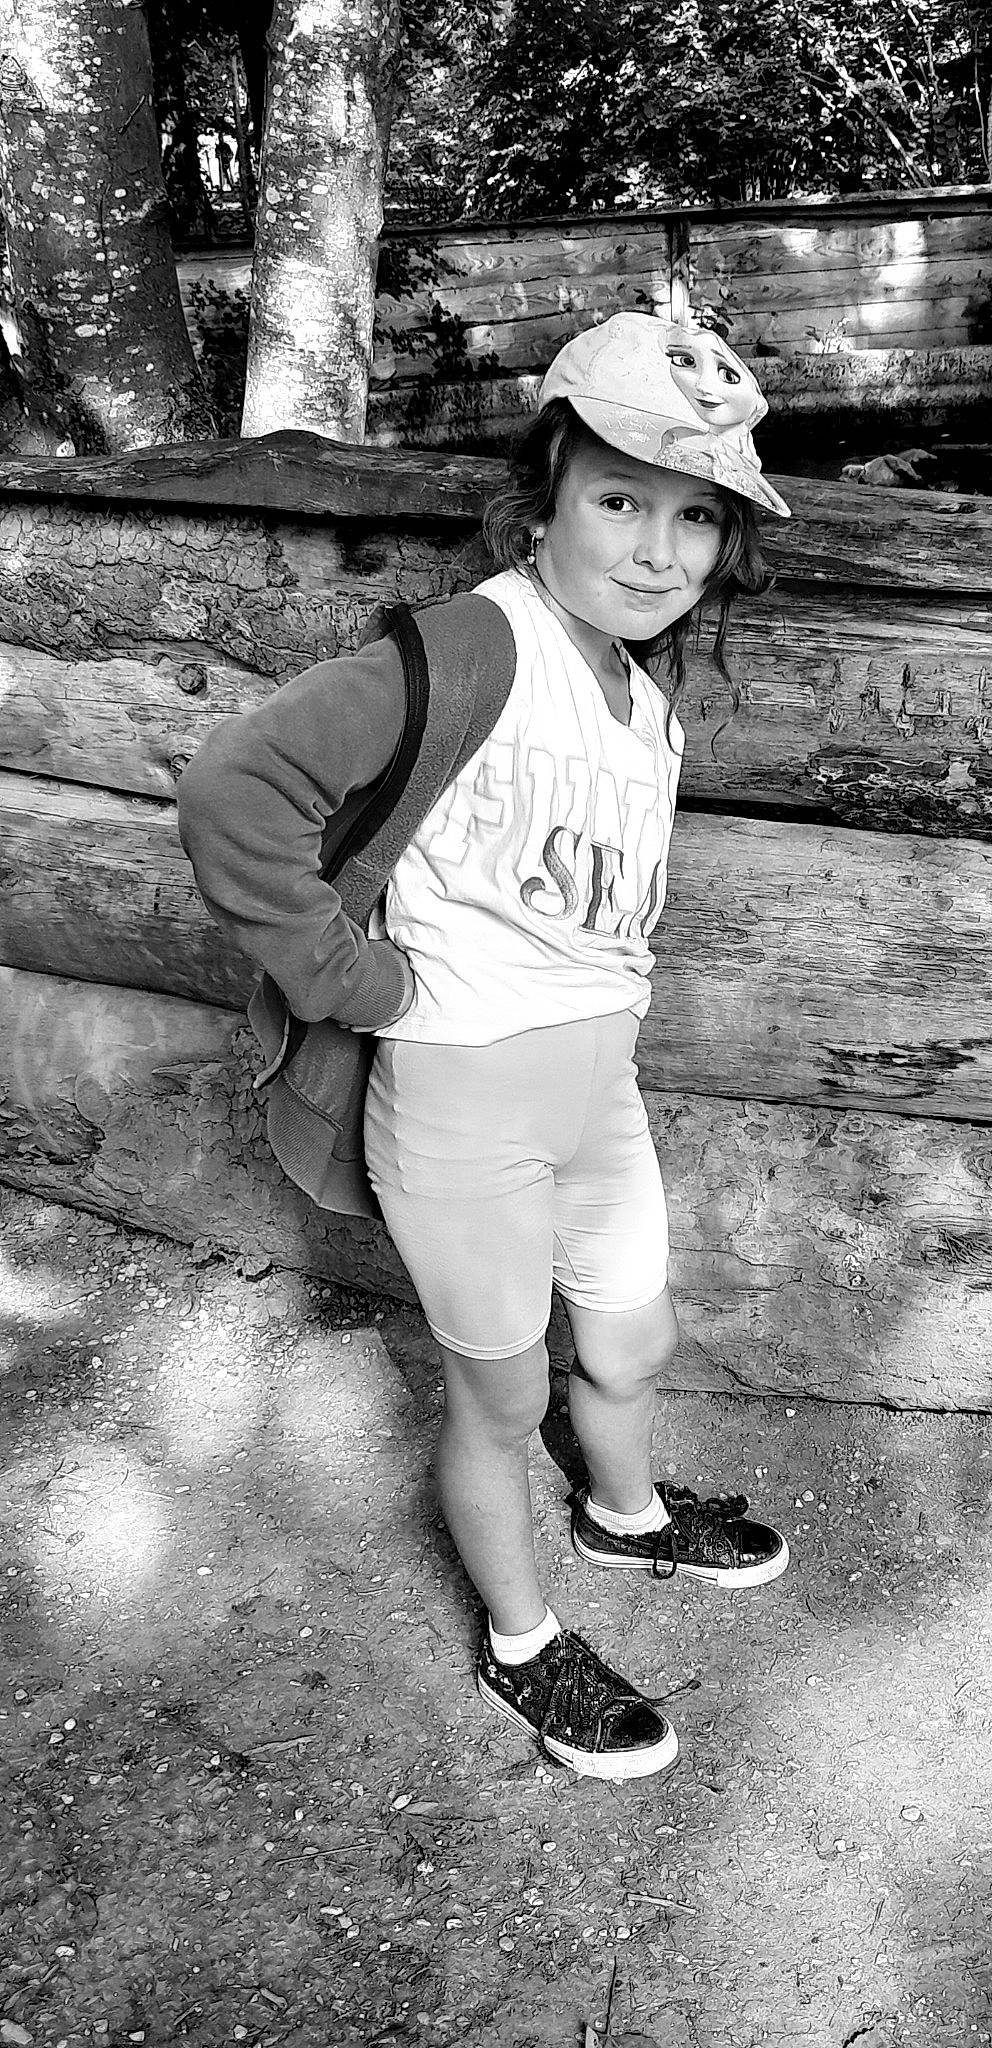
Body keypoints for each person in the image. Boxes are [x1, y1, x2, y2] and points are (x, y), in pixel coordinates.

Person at [178, 312, 792, 1784]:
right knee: (505, 1396)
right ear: (547, 495)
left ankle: (625, 1519)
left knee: (631, 1339)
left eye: (695, 514)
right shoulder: (468, 650)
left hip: (599, 1095)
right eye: (619, 499)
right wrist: (348, 979)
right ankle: (525, 1643)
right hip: (462, 1101)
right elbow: (231, 790)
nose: (656, 549)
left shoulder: (650, 695)